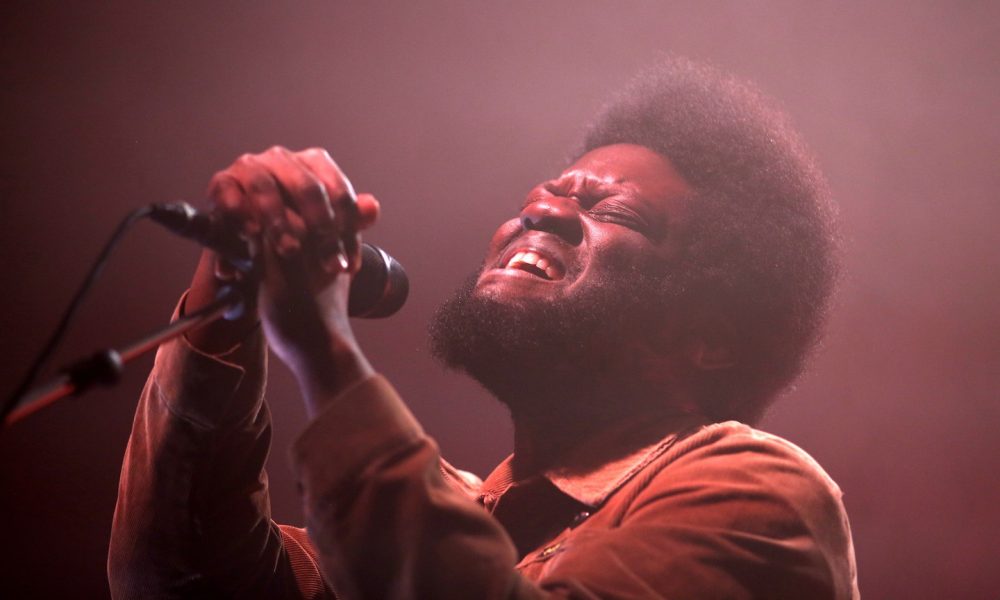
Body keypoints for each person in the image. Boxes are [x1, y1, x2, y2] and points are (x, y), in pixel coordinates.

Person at [108, 57, 859, 598]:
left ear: (712, 332)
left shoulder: (760, 494)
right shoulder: (443, 512)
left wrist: (322, 344)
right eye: (545, 192)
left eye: (614, 213)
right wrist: (227, 303)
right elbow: (181, 575)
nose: (544, 210)